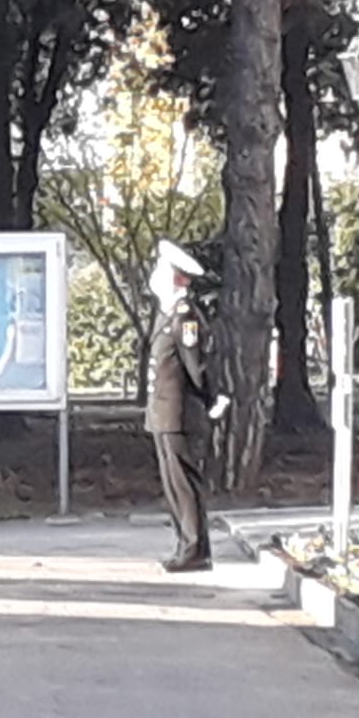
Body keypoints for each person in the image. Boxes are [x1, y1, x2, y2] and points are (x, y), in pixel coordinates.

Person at [146, 240, 229, 574]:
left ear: (179, 278)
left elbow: (197, 367)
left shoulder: (185, 316)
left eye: (163, 270)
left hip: (179, 413)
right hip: (163, 413)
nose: (156, 275)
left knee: (183, 484)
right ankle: (186, 545)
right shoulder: (167, 314)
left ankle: (194, 550)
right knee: (173, 484)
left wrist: (213, 399)